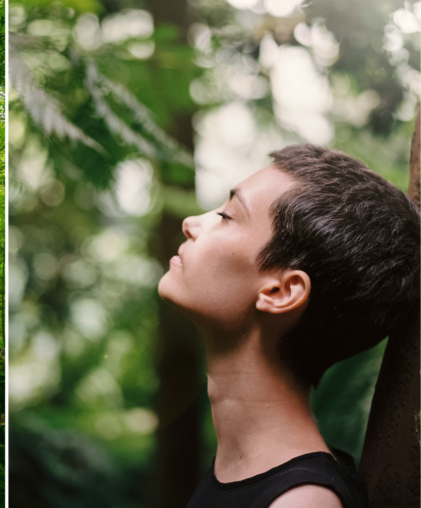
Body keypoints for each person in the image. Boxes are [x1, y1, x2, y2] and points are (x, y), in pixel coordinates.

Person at [157, 144, 420, 508]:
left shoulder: (301, 502)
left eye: (227, 215)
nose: (191, 224)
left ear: (281, 291)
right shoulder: (242, 475)